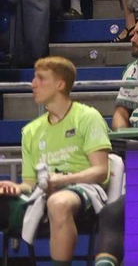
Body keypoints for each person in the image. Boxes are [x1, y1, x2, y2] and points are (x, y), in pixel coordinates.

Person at [0, 57, 112, 264]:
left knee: (58, 203)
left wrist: (62, 181)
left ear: (60, 84)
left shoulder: (87, 117)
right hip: (42, 193)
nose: (33, 83)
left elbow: (100, 171)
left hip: (84, 189)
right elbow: (29, 184)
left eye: (41, 78)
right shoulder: (31, 131)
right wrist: (16, 188)